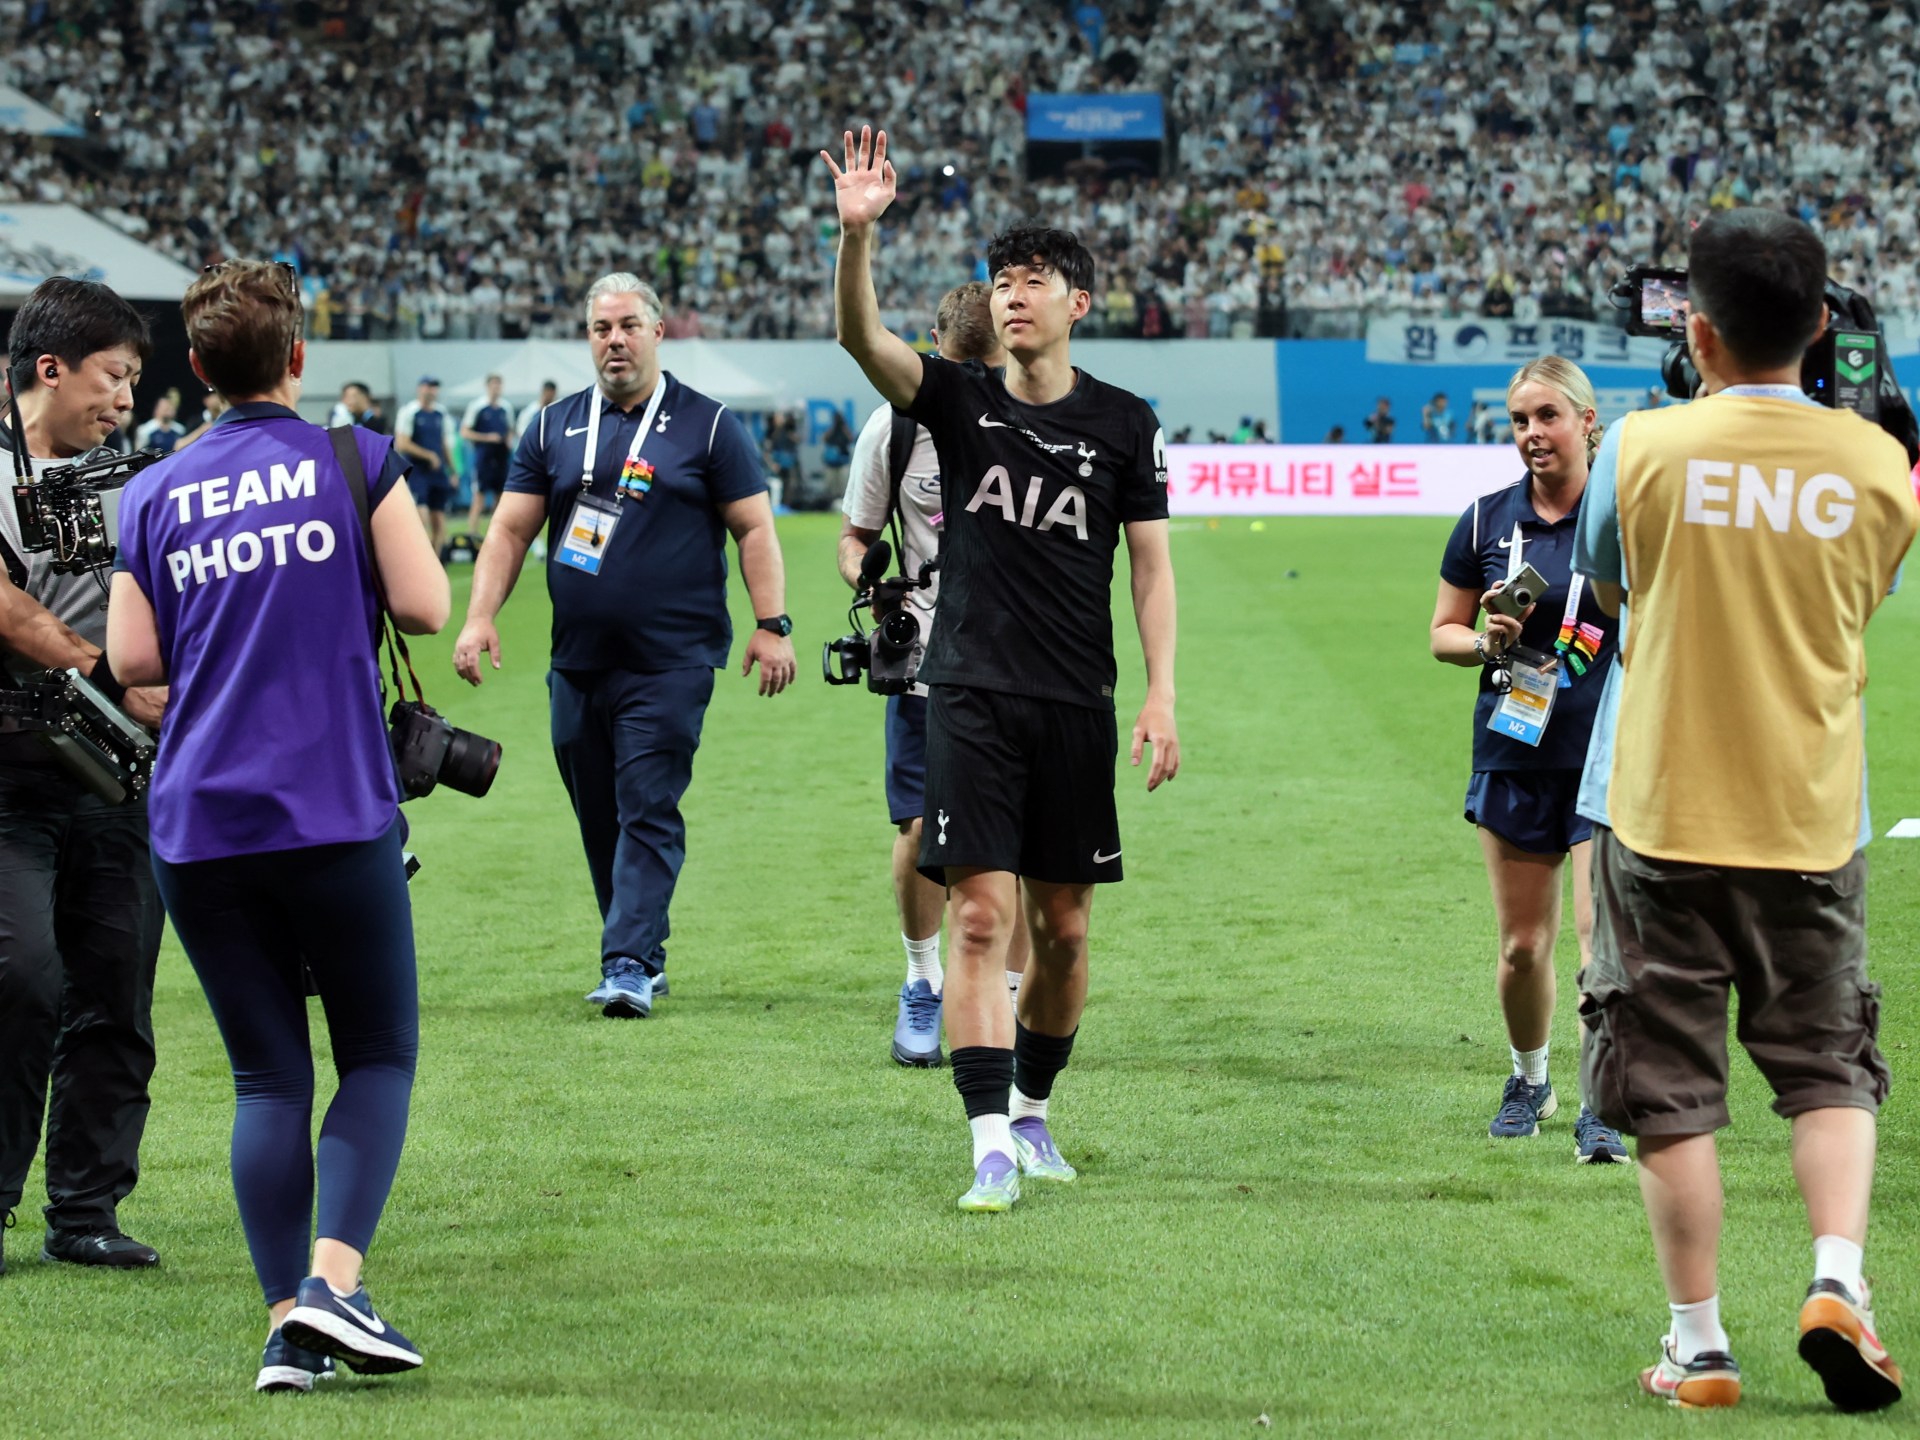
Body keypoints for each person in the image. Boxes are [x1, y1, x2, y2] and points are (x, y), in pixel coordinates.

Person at [1573, 209, 1917, 1412]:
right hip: (1810, 813)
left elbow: (1613, 589)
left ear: (1697, 332)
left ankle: (1700, 1346)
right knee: (1828, 1068)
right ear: (1824, 328)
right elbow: (1860, 598)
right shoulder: (1878, 461)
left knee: (1667, 1088)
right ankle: (1837, 1280)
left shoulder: (1643, 447)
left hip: (1663, 811)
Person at [106, 259, 449, 1392]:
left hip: (198, 822)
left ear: (195, 369)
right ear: (298, 359)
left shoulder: (152, 489)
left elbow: (132, 662)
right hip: (333, 806)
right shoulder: (351, 457)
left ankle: (285, 1331)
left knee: (266, 1080)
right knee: (379, 1054)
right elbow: (423, 605)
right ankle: (336, 1288)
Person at [824, 127, 1180, 1212]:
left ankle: (1033, 1111)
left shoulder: (1123, 424)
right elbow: (863, 344)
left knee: (1064, 932)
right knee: (980, 919)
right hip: (966, 693)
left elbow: (1152, 570)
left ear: (1081, 302)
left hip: (1075, 701)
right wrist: (857, 240)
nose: (1014, 297)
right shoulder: (954, 401)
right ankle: (986, 1142)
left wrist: (1163, 692)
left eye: (1035, 283)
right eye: (1004, 283)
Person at [452, 273, 796, 1018]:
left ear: (658, 331)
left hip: (670, 661)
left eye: (628, 326)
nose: (615, 340)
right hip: (576, 661)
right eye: (602, 328)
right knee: (599, 814)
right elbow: (510, 530)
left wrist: (772, 625)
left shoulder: (708, 426)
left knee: (646, 804)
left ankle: (628, 961)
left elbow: (755, 528)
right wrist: (480, 617)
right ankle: (640, 943)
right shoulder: (551, 427)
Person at [0, 277, 167, 1277]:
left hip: (118, 783)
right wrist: (113, 676)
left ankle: (87, 1211)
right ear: (50, 368)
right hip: (8, 775)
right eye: (114, 376)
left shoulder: (133, 482)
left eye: (137, 381)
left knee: (117, 991)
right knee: (20, 979)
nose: (126, 399)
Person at [1429, 356, 1628, 1162]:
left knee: (1594, 944)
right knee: (1521, 948)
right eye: (1519, 421)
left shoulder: (1621, 519)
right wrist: (1484, 642)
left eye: (1547, 416)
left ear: (1587, 421)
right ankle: (1530, 1078)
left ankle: (1601, 1103)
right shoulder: (1485, 522)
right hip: (1513, 747)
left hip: (1604, 754)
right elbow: (1441, 632)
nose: (1532, 434)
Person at [839, 280, 1029, 1067]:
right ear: (931, 347)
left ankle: (1008, 1002)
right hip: (922, 658)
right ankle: (921, 979)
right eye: (958, 364)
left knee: (1019, 842)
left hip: (1022, 663)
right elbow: (853, 536)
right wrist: (866, 579)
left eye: (983, 365)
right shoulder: (893, 428)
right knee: (920, 829)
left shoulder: (1035, 420)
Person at [393, 376, 454, 554]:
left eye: (434, 387)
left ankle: (437, 557)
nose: (431, 390)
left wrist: (452, 470)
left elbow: (444, 443)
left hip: (438, 472)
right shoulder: (409, 412)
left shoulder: (441, 413)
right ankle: (421, 555)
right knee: (422, 515)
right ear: (420, 388)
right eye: (428, 386)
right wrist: (428, 455)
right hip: (417, 471)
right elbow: (402, 443)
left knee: (439, 516)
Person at [460, 373, 516, 537]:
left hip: (501, 458)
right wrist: (487, 437)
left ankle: (497, 533)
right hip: (483, 458)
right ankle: (472, 534)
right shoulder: (477, 406)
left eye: (499, 385)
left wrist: (508, 440)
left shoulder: (506, 408)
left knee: (501, 497)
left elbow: (510, 430)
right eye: (493, 385)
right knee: (479, 497)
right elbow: (465, 432)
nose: (496, 388)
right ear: (487, 386)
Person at [820, 407, 854, 503]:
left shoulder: (845, 430)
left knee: (843, 483)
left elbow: (851, 439)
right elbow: (825, 439)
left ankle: (843, 501)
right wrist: (833, 427)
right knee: (831, 484)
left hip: (842, 461)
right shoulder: (831, 430)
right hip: (832, 462)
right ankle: (832, 501)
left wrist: (843, 428)